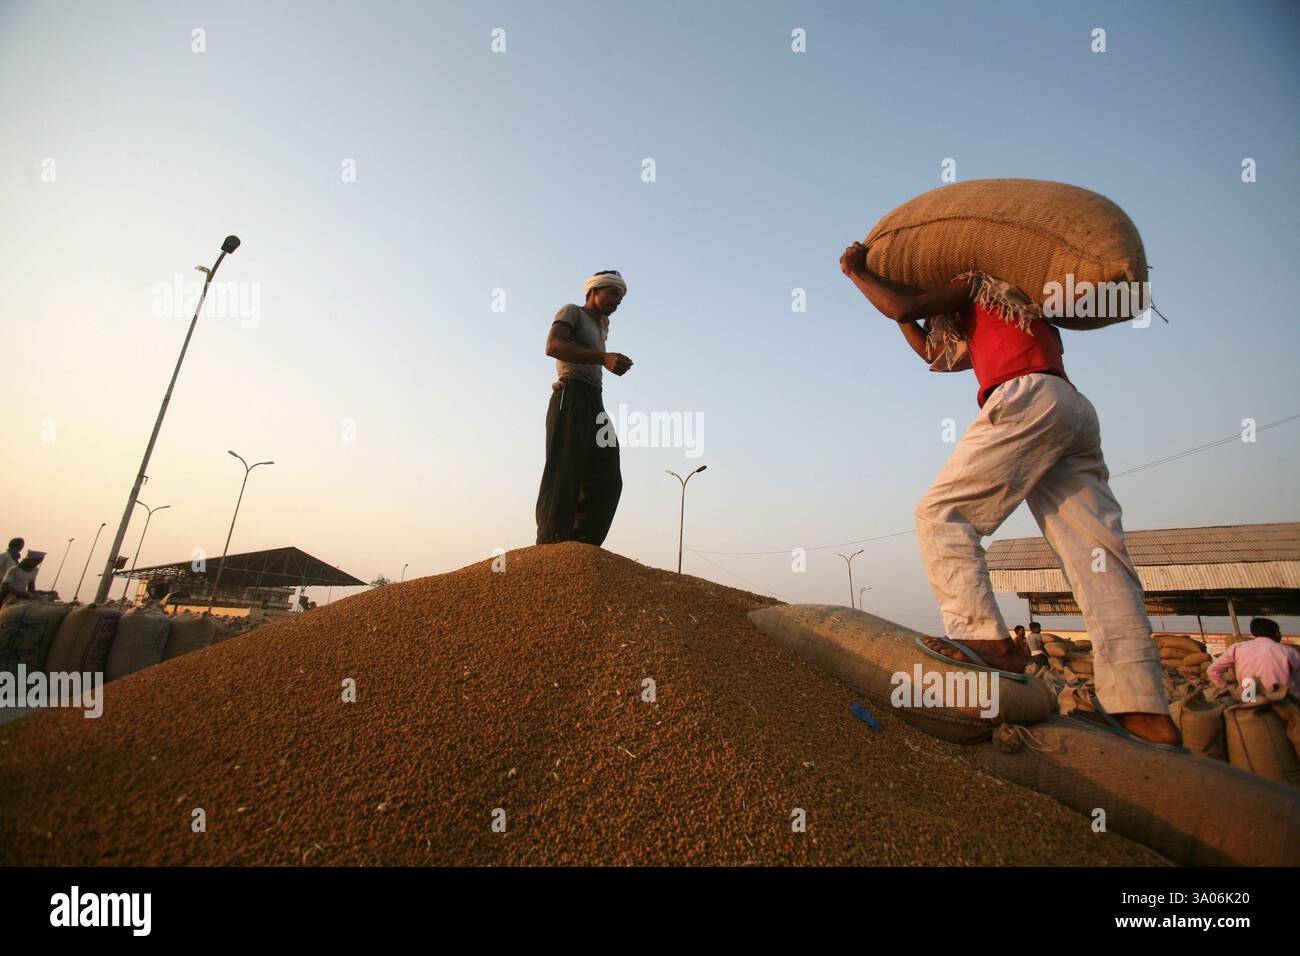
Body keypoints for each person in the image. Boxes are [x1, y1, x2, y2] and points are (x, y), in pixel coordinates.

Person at [840, 242, 1179, 748]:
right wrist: (902, 312)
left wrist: (856, 272)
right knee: (1097, 558)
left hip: (1026, 397)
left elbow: (906, 307)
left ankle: (987, 642)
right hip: (1071, 410)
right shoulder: (993, 316)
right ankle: (1143, 709)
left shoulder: (980, 283)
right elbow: (932, 350)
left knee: (941, 515)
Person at [535, 270, 633, 546]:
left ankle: (582, 547)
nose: (618, 300)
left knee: (608, 476)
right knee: (565, 469)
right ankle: (551, 544)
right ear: (594, 291)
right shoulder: (573, 312)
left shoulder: (601, 327)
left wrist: (607, 359)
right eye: (614, 292)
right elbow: (553, 346)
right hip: (571, 394)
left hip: (595, 401)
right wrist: (602, 358)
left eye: (622, 296)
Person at [1208, 617, 1300, 694]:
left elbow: (1212, 671)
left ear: (1254, 633)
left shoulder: (1237, 648)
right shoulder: (1289, 651)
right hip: (1281, 698)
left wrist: (1227, 688)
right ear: (1276, 633)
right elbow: (1297, 681)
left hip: (1249, 697)